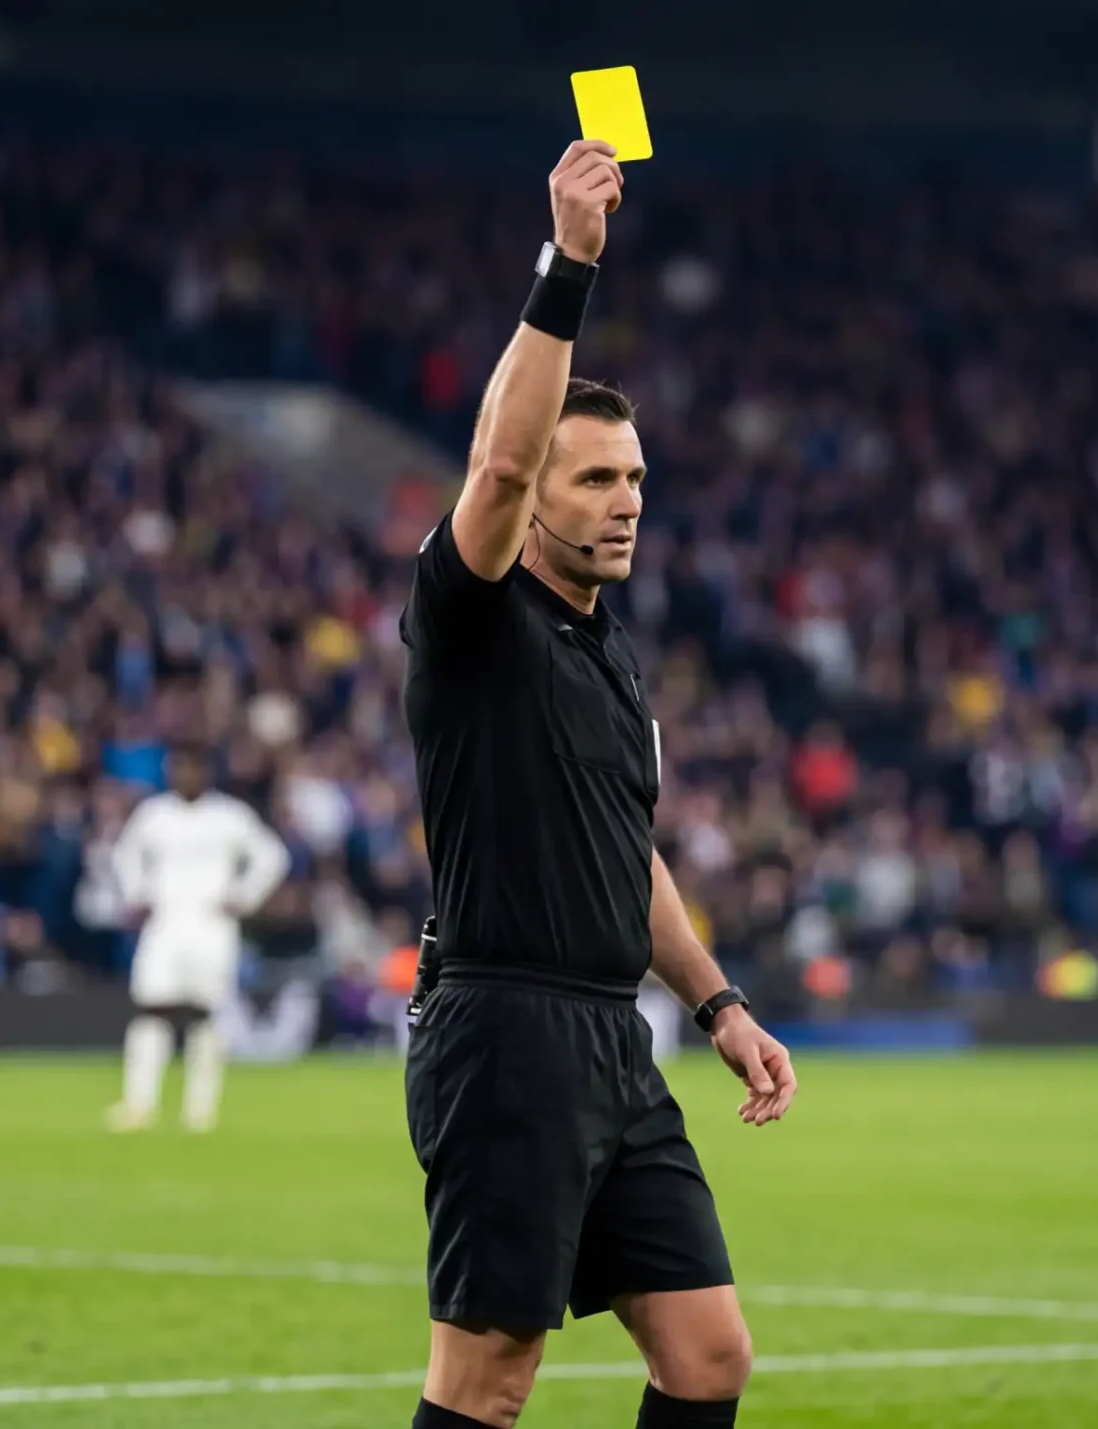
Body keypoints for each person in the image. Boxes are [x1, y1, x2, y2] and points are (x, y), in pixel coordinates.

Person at [396, 139, 797, 1429]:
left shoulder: (607, 651)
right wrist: (567, 267)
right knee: (488, 1382)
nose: (626, 502)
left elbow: (628, 858)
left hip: (610, 1037)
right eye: (597, 479)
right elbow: (498, 471)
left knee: (708, 1354)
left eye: (634, 479)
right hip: (501, 1032)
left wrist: (718, 1002)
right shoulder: (471, 618)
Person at [104, 743, 291, 1134]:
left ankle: (199, 1110)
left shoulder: (229, 816)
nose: (185, 776)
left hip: (212, 927)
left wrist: (243, 897)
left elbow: (272, 856)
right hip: (166, 924)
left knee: (205, 1015)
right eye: (178, 768)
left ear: (207, 772)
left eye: (192, 768)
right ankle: (139, 1104)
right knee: (152, 1008)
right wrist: (138, 895)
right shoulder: (155, 815)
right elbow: (125, 856)